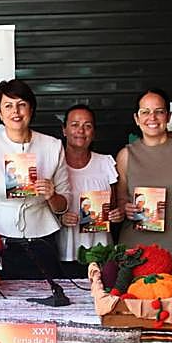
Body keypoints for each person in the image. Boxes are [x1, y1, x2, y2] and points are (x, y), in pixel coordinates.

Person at [0, 79, 69, 279]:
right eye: (8, 106)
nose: (15, 111)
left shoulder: (52, 146)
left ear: (31, 109)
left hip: (43, 238)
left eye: (21, 104)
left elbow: (63, 205)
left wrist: (51, 195)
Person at [115, 88, 172, 260]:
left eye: (159, 112)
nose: (152, 118)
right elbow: (120, 200)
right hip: (138, 249)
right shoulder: (126, 155)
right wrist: (125, 208)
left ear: (168, 116)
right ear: (137, 119)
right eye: (145, 112)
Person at [58, 104, 121, 276]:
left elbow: (115, 204)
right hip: (66, 252)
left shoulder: (106, 163)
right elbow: (43, 205)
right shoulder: (55, 164)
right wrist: (59, 218)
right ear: (64, 130)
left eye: (87, 126)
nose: (81, 130)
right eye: (75, 125)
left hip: (102, 252)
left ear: (94, 132)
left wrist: (116, 214)